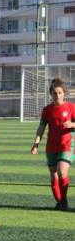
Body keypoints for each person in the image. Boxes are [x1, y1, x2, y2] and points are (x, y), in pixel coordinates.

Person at [31, 78, 74, 211]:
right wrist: (36, 144)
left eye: (60, 93)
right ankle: (60, 201)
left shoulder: (71, 107)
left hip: (67, 145)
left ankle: (64, 200)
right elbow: (41, 128)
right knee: (53, 175)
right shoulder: (47, 110)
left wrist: (72, 124)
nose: (57, 95)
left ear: (64, 93)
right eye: (55, 93)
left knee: (62, 172)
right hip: (51, 146)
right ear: (51, 94)